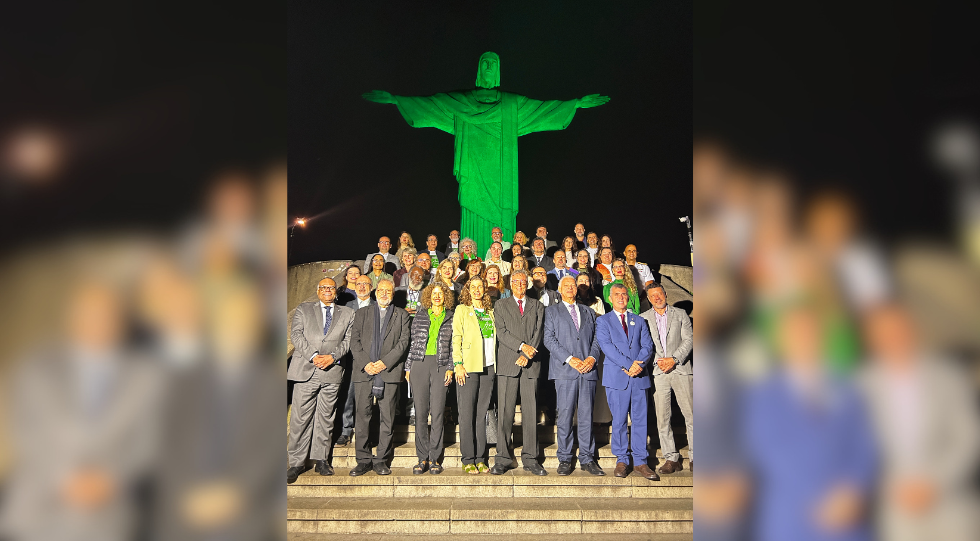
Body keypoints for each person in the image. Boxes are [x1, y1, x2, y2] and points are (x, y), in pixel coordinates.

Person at [744, 306, 876, 541]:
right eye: (796, 333)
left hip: (848, 519)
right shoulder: (763, 394)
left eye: (811, 332)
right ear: (781, 341)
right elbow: (767, 452)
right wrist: (817, 499)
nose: (805, 339)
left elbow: (865, 443)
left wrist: (853, 490)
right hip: (792, 520)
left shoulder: (846, 386)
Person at [857, 304, 980, 541]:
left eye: (900, 328)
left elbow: (968, 435)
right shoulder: (861, 386)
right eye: (884, 332)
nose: (894, 337)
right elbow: (857, 448)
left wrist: (934, 483)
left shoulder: (948, 375)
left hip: (950, 504)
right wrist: (891, 488)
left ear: (913, 329)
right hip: (896, 510)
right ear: (873, 339)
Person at [288, 277, 356, 482]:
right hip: (306, 369)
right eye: (324, 287)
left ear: (336, 292)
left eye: (331, 288)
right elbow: (296, 335)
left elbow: (349, 340)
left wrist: (332, 357)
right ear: (318, 291)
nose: (328, 290)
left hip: (332, 370)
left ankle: (321, 459)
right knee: (300, 418)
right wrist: (313, 356)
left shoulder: (348, 313)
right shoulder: (303, 309)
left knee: (326, 418)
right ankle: (296, 463)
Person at [348, 279, 411, 476]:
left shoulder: (401, 315)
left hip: (389, 371)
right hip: (364, 371)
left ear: (393, 293)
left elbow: (403, 342)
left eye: (388, 290)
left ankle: (382, 459)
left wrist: (385, 362)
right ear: (376, 293)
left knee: (388, 417)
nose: (384, 293)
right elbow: (354, 341)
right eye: (381, 290)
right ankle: (363, 459)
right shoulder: (362, 313)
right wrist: (366, 363)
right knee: (362, 416)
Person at [595, 283, 659, 480]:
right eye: (617, 294)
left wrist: (638, 364)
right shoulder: (603, 321)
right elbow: (607, 346)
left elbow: (648, 345)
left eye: (624, 294)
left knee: (640, 420)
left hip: (639, 377)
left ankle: (641, 461)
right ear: (610, 298)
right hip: (617, 378)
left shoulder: (639, 321)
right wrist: (628, 364)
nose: (621, 297)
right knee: (620, 420)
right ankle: (622, 459)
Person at [543, 276, 605, 476]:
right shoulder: (551, 312)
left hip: (588, 370)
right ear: (560, 289)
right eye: (566, 285)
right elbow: (549, 339)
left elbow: (597, 338)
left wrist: (592, 358)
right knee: (565, 416)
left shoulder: (588, 311)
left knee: (586, 416)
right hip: (565, 370)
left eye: (573, 286)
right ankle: (565, 457)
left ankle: (587, 458)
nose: (570, 288)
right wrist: (570, 359)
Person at [490, 269, 547, 476]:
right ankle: (503, 458)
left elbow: (539, 332)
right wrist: (522, 346)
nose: (520, 285)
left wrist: (528, 353)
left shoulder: (538, 306)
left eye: (523, 282)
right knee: (505, 413)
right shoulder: (501, 305)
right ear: (510, 284)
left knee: (530, 413)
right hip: (508, 362)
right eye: (516, 282)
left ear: (528, 284)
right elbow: (502, 332)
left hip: (530, 364)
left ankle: (531, 458)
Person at [639, 283, 694, 475]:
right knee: (663, 418)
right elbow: (644, 346)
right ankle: (671, 458)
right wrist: (660, 362)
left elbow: (689, 339)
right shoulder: (643, 319)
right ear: (648, 298)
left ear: (665, 294)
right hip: (658, 372)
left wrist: (674, 359)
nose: (657, 298)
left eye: (659, 294)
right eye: (652, 296)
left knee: (692, 415)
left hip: (681, 369)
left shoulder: (681, 314)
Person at [404, 283, 457, 475]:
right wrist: (408, 366)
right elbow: (414, 341)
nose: (437, 296)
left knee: (437, 412)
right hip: (419, 364)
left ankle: (435, 457)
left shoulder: (451, 316)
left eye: (440, 294)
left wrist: (450, 367)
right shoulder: (420, 315)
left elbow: (453, 344)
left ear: (445, 297)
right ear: (428, 296)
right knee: (420, 412)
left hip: (441, 365)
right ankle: (422, 457)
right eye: (434, 293)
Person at [452, 276, 497, 474]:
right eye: (473, 287)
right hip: (468, 367)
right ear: (468, 290)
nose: (477, 290)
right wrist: (458, 364)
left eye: (480, 286)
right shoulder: (462, 310)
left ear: (485, 289)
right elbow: (456, 338)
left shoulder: (491, 312)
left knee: (481, 416)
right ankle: (467, 458)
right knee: (467, 414)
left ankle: (481, 458)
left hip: (489, 368)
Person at [336, 275, 375, 447]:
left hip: (372, 360)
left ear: (371, 286)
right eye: (358, 284)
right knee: (348, 395)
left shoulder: (377, 306)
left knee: (368, 398)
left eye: (365, 284)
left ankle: (365, 432)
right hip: (351, 359)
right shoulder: (346, 307)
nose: (361, 287)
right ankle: (346, 430)